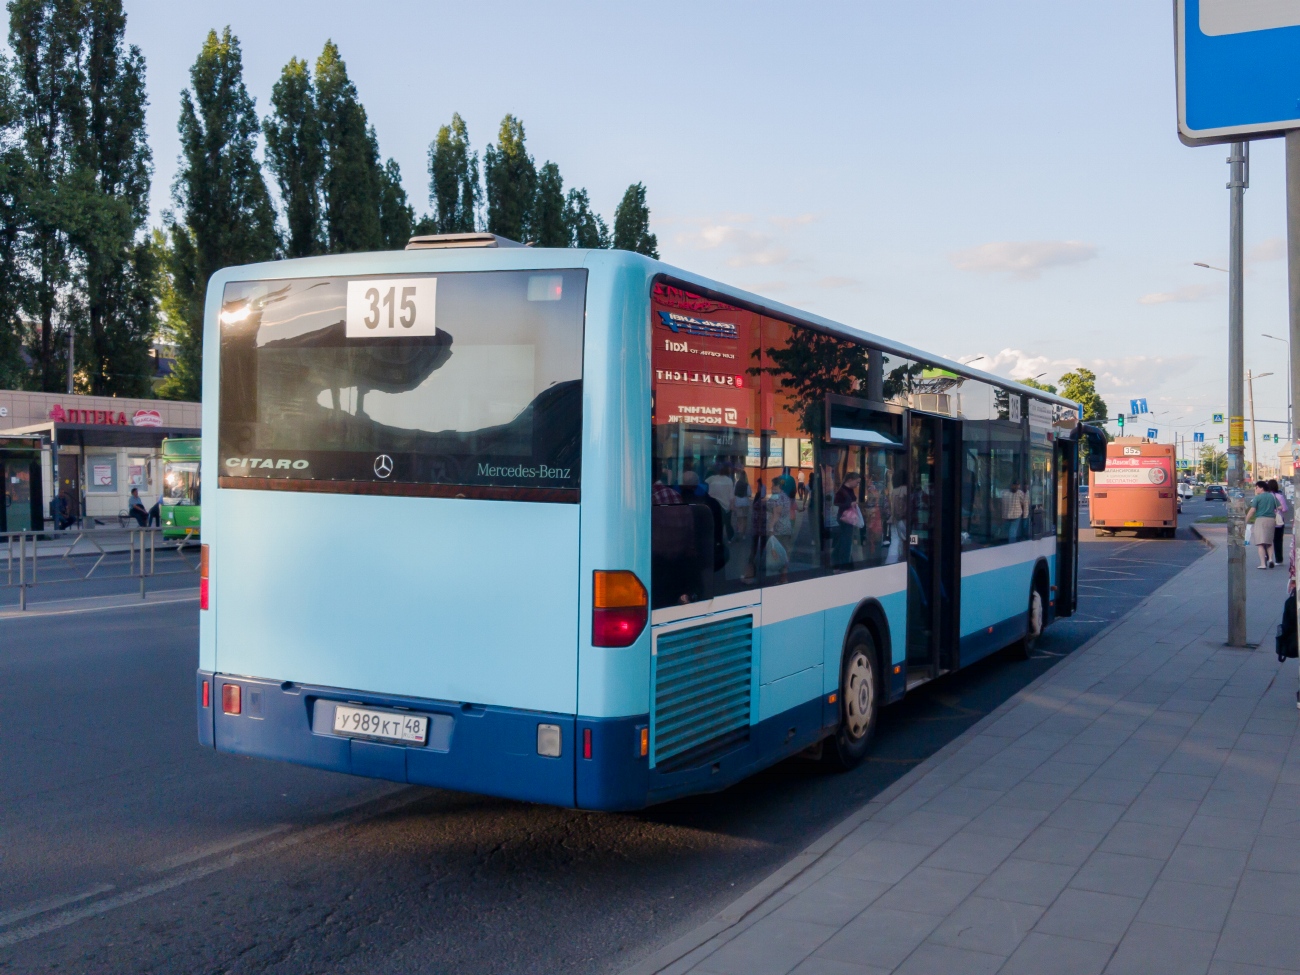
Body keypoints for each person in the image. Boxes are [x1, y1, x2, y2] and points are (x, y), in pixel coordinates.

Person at [832, 472, 862, 569]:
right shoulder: (843, 491)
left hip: (846, 518)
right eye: (857, 482)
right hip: (845, 518)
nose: (858, 485)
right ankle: (843, 563)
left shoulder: (847, 490)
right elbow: (836, 503)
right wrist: (850, 504)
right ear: (850, 480)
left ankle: (837, 561)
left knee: (843, 540)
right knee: (846, 541)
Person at [1246, 480, 1279, 569]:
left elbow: (1252, 510)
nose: (1255, 489)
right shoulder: (1272, 497)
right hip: (1271, 520)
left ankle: (1263, 564)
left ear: (1261, 488)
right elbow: (1280, 507)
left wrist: (1246, 520)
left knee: (1260, 543)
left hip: (1260, 520)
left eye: (1256, 487)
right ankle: (1271, 559)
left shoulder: (1258, 498)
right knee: (1269, 542)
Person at [1269, 478, 1288, 565]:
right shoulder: (1280, 496)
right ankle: (1279, 560)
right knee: (1278, 540)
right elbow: (1285, 509)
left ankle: (1268, 558)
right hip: (1279, 520)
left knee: (1267, 540)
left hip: (1268, 519)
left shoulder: (1266, 496)